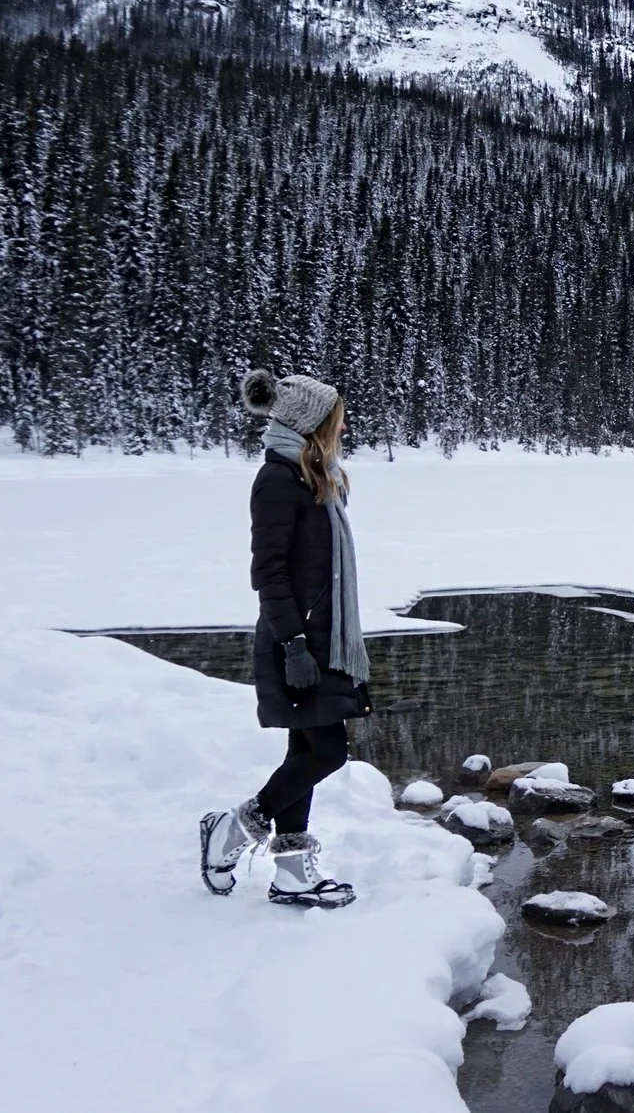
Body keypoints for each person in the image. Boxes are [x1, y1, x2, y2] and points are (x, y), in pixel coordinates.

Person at [198, 370, 373, 907]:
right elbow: (269, 573)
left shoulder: (317, 475)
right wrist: (294, 645)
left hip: (323, 640)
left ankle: (293, 873)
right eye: (336, 418)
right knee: (328, 751)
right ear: (314, 423)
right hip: (295, 642)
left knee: (307, 747)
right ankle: (231, 831)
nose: (343, 425)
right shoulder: (277, 480)